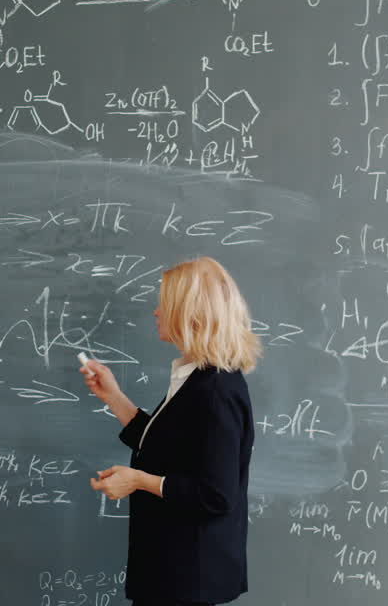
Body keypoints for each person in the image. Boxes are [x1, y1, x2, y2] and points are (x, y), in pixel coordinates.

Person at [81, 256, 260, 606]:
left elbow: (216, 494)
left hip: (186, 580)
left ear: (188, 311)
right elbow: (165, 448)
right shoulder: (198, 378)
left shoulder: (215, 391)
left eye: (164, 303)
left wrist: (137, 480)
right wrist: (114, 397)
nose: (156, 312)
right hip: (174, 573)